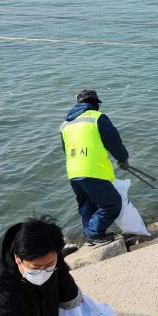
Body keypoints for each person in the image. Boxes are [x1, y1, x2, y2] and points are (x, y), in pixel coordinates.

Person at [60, 89, 130, 245]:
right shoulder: (97, 117)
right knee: (112, 204)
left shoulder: (65, 124)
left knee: (87, 206)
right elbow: (113, 142)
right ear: (95, 104)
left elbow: (65, 149)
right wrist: (123, 159)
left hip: (73, 172)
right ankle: (94, 234)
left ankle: (89, 237)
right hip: (92, 170)